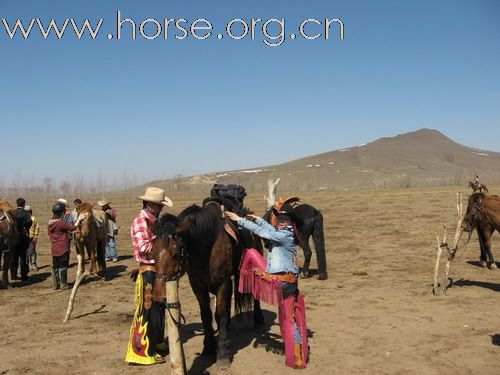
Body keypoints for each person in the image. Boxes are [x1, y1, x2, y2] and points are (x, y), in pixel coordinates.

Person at [225, 206, 309, 369]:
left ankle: (297, 356)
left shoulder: (284, 235)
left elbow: (266, 233)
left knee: (250, 254)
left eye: (285, 219)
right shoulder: (285, 232)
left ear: (291, 222)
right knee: (287, 318)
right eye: (280, 218)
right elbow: (269, 228)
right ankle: (295, 353)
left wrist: (240, 220)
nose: (281, 221)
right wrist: (256, 218)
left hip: (283, 283)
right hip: (287, 282)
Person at [125, 187, 173, 365]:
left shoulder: (154, 220)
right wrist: (164, 247)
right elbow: (144, 248)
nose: (161, 208)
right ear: (149, 204)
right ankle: (144, 352)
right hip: (148, 271)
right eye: (158, 205)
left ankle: (158, 345)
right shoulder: (141, 221)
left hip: (157, 270)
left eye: (161, 205)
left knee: (158, 310)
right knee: (148, 310)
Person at [48, 202, 85, 290]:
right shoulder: (60, 223)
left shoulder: (50, 223)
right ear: (61, 212)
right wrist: (79, 219)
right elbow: (72, 227)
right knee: (63, 266)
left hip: (54, 247)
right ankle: (63, 284)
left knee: (55, 266)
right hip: (63, 247)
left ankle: (55, 284)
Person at [10, 198, 33, 281]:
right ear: (24, 204)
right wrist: (25, 228)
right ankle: (24, 276)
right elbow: (30, 222)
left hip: (13, 237)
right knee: (23, 257)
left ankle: (13, 276)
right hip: (23, 237)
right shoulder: (26, 214)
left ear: (17, 204)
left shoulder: (12, 213)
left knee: (13, 256)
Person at [24, 205, 40, 271]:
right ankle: (25, 265)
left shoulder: (33, 218)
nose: (27, 213)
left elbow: (37, 227)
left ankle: (33, 264)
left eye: (28, 212)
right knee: (25, 252)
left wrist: (36, 236)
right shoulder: (23, 219)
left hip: (32, 237)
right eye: (26, 212)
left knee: (32, 251)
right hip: (24, 238)